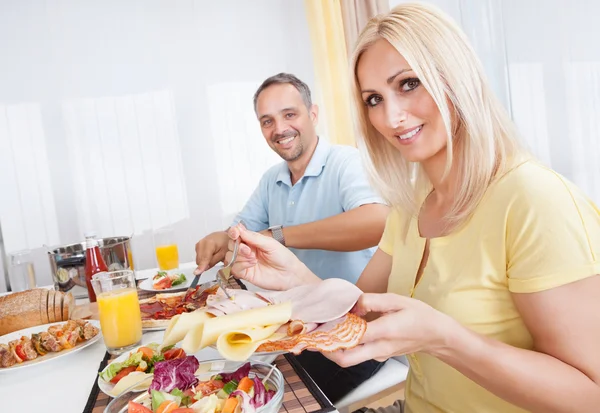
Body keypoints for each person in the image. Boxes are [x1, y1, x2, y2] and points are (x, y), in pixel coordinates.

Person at [224, 3, 600, 413]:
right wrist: (293, 277)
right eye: (373, 99)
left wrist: (446, 339)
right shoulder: (410, 205)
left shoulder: (534, 200)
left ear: (455, 76)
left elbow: (590, 395)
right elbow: (359, 316)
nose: (391, 117)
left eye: (408, 84)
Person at [194, 73, 389, 403]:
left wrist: (280, 235)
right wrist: (219, 238)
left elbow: (377, 222)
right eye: (267, 121)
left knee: (272, 400)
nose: (279, 129)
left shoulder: (346, 161)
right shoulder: (272, 179)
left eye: (289, 114)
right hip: (299, 323)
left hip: (351, 329)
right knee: (229, 386)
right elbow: (241, 234)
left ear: (313, 115)